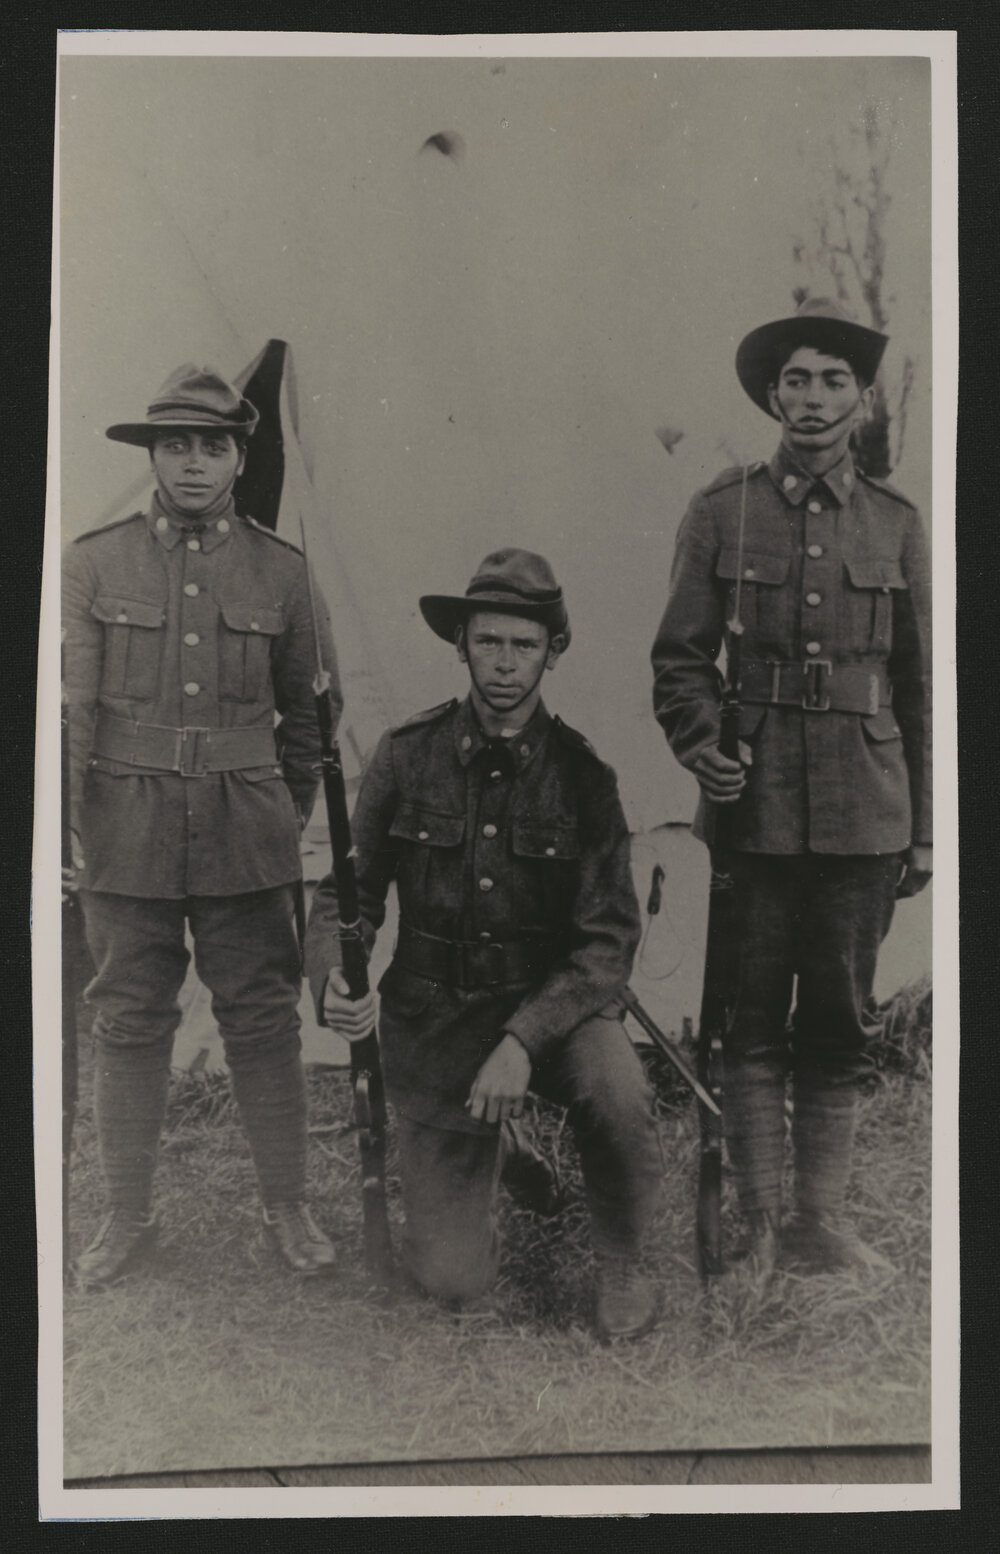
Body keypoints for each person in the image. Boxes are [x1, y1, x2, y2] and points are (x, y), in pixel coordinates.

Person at [305, 549, 663, 1339]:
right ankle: (497, 1148)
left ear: (553, 651)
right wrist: (335, 974)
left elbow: (605, 943)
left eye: (524, 645)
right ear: (460, 644)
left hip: (556, 1011)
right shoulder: (405, 756)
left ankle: (623, 1264)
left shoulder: (585, 778)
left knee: (619, 1093)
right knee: (451, 1280)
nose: (505, 663)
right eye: (489, 641)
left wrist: (524, 1041)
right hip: (434, 1018)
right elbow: (346, 897)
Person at [650, 297, 932, 1278]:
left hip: (866, 808)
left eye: (834, 381)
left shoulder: (896, 523)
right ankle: (763, 1220)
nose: (813, 398)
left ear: (859, 399)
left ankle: (821, 1221)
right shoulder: (719, 508)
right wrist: (700, 746)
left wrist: (925, 831)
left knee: (839, 1024)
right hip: (754, 807)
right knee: (751, 1016)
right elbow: (677, 660)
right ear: (771, 394)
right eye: (796, 380)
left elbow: (924, 684)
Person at [63, 364, 341, 1285]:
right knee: (127, 1021)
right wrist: (72, 827)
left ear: (237, 456)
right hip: (124, 827)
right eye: (174, 445)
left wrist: (273, 811)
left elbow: (307, 724)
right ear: (152, 454)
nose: (192, 464)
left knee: (262, 1020)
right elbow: (71, 706)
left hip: (244, 829)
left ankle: (287, 1207)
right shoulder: (93, 560)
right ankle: (125, 1216)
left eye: (211, 446)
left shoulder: (283, 571)